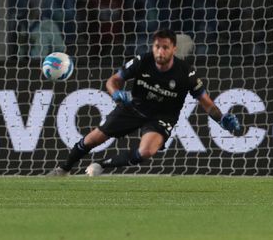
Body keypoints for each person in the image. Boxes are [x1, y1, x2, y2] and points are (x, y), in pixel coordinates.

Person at [48, 29, 242, 176]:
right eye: (157, 46)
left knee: (147, 151)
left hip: (162, 117)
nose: (160, 51)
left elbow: (206, 102)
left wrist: (221, 118)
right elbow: (113, 81)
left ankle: (102, 165)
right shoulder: (143, 61)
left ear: (174, 49)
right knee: (92, 140)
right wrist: (116, 94)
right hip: (134, 108)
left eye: (165, 47)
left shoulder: (185, 73)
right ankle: (62, 169)